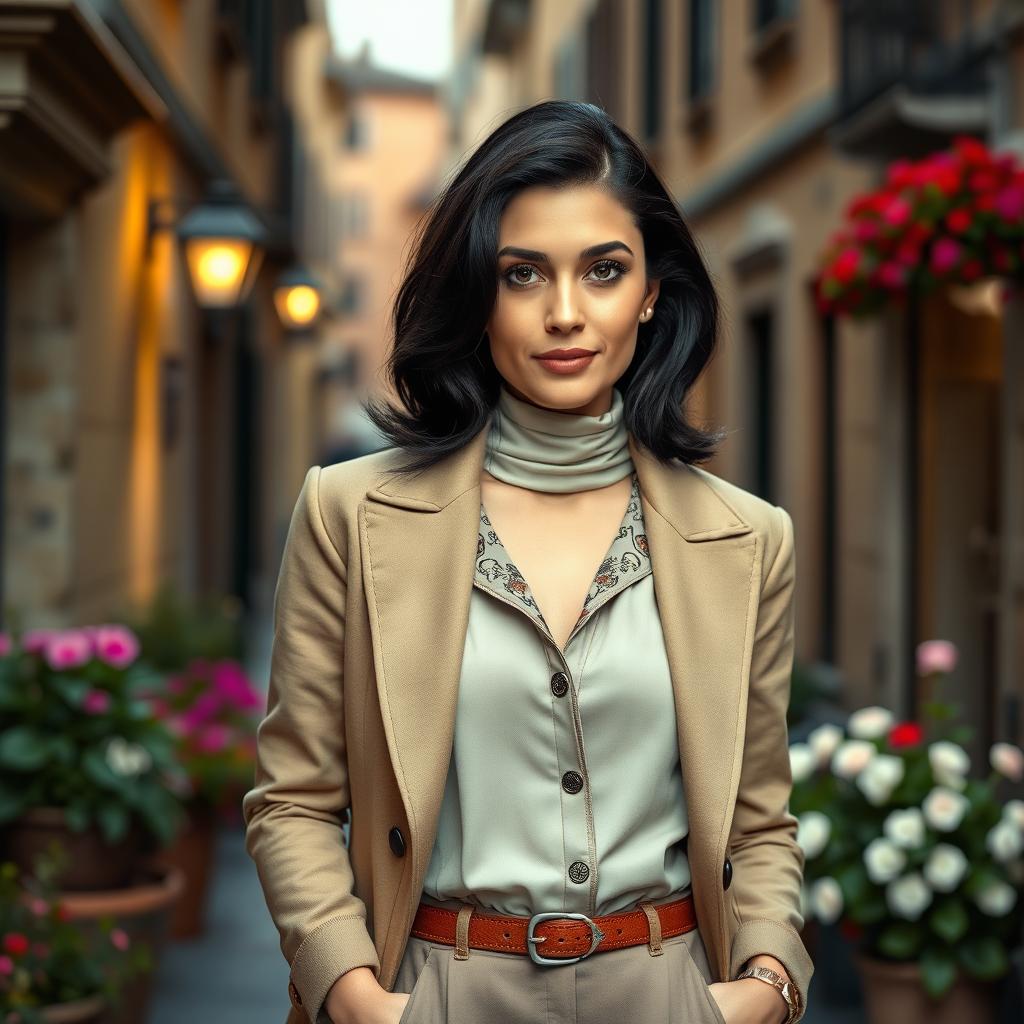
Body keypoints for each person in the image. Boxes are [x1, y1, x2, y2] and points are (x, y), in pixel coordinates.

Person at [243, 100, 813, 1024]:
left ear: (652, 292)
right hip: (437, 986)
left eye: (603, 271)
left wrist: (763, 986)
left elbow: (758, 822)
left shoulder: (748, 539)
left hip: (669, 990)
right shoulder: (349, 514)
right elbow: (294, 802)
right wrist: (355, 996)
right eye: (522, 274)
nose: (564, 314)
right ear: (478, 292)